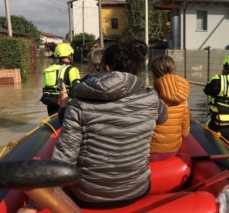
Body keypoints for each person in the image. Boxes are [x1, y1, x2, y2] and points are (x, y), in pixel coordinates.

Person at [51, 39, 168, 207]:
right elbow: (163, 117)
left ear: (105, 68)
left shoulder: (78, 103)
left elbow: (64, 157)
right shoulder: (151, 98)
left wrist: (37, 200)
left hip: (89, 195)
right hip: (137, 189)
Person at [149, 55, 190, 161]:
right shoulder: (183, 98)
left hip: (150, 152)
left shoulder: (150, 96)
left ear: (153, 74)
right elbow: (185, 132)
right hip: (173, 150)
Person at [40, 43, 80, 116]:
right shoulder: (72, 69)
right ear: (69, 55)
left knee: (54, 124)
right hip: (65, 104)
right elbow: (78, 89)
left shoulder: (48, 69)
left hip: (51, 104)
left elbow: (44, 89)